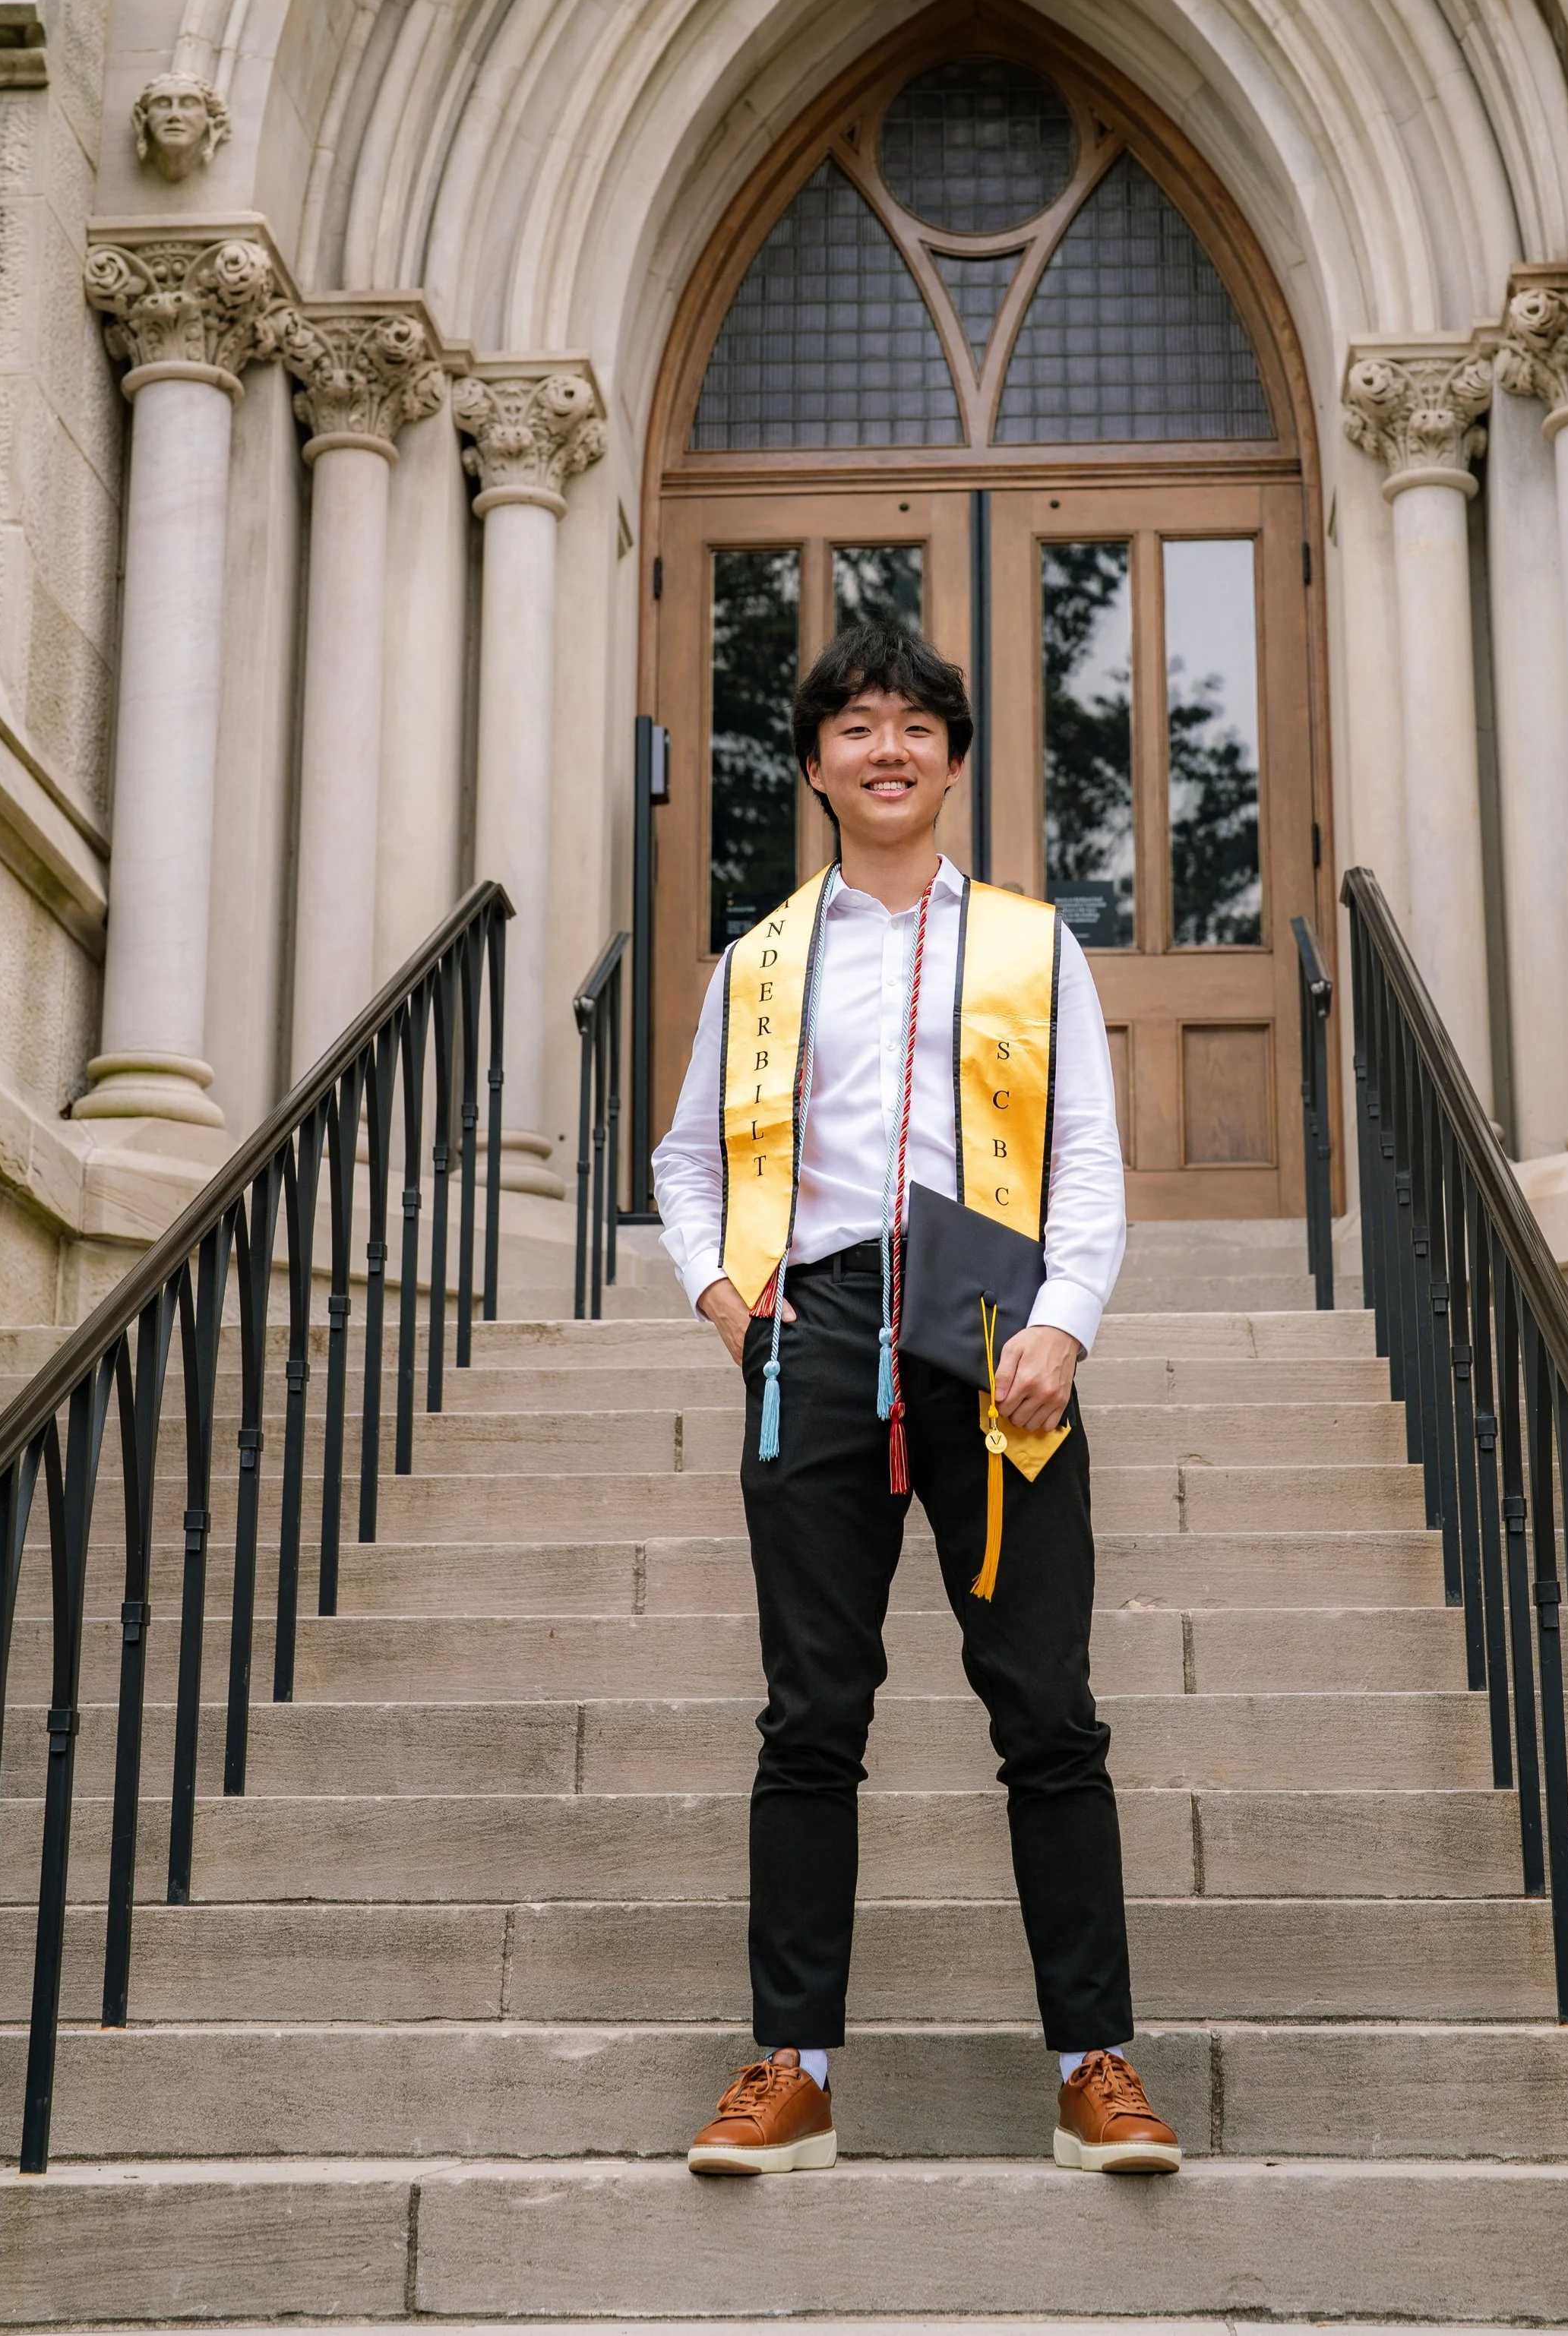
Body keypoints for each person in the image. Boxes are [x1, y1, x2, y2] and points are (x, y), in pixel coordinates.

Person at [652, 619, 1181, 2177]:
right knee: (810, 1716)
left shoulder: (1029, 944)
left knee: (1045, 1711)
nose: (887, 750)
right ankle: (792, 2069)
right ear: (815, 763)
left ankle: (1094, 2064)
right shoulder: (756, 962)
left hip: (988, 1316)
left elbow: (1082, 1153)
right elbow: (688, 1162)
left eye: (916, 727)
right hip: (811, 1326)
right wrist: (724, 1301)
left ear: (952, 759)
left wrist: (1065, 1326)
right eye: (854, 727)